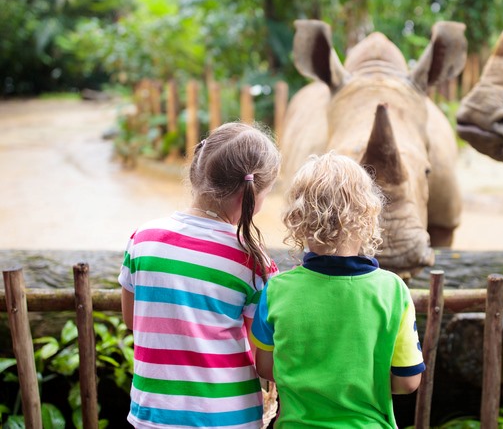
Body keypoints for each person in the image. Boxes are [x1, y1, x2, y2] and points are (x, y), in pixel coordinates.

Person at [119, 121, 281, 429]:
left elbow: (131, 318)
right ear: (250, 195)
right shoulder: (253, 260)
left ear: (197, 171)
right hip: (228, 418)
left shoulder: (143, 238)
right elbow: (260, 351)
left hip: (152, 415)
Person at [250, 152, 425, 428]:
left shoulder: (277, 290)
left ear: (297, 219)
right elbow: (407, 381)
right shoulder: (392, 291)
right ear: (368, 216)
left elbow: (266, 367)